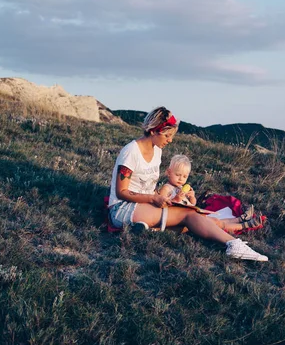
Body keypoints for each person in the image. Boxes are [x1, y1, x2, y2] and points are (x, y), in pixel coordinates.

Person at [108, 106, 268, 261]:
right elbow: (122, 192)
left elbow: (147, 185)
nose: (170, 140)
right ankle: (233, 245)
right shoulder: (131, 152)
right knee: (188, 215)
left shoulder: (157, 150)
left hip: (145, 205)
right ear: (153, 131)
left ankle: (148, 227)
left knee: (193, 221)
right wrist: (153, 198)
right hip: (123, 208)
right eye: (167, 136)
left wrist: (160, 197)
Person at [158, 154, 265, 233]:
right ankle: (244, 225)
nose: (181, 179)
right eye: (177, 175)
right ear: (168, 172)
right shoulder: (166, 188)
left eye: (184, 176)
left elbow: (192, 204)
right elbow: (162, 207)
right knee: (217, 223)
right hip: (180, 218)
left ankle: (240, 219)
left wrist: (192, 198)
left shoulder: (181, 188)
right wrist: (176, 199)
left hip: (191, 214)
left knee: (216, 220)